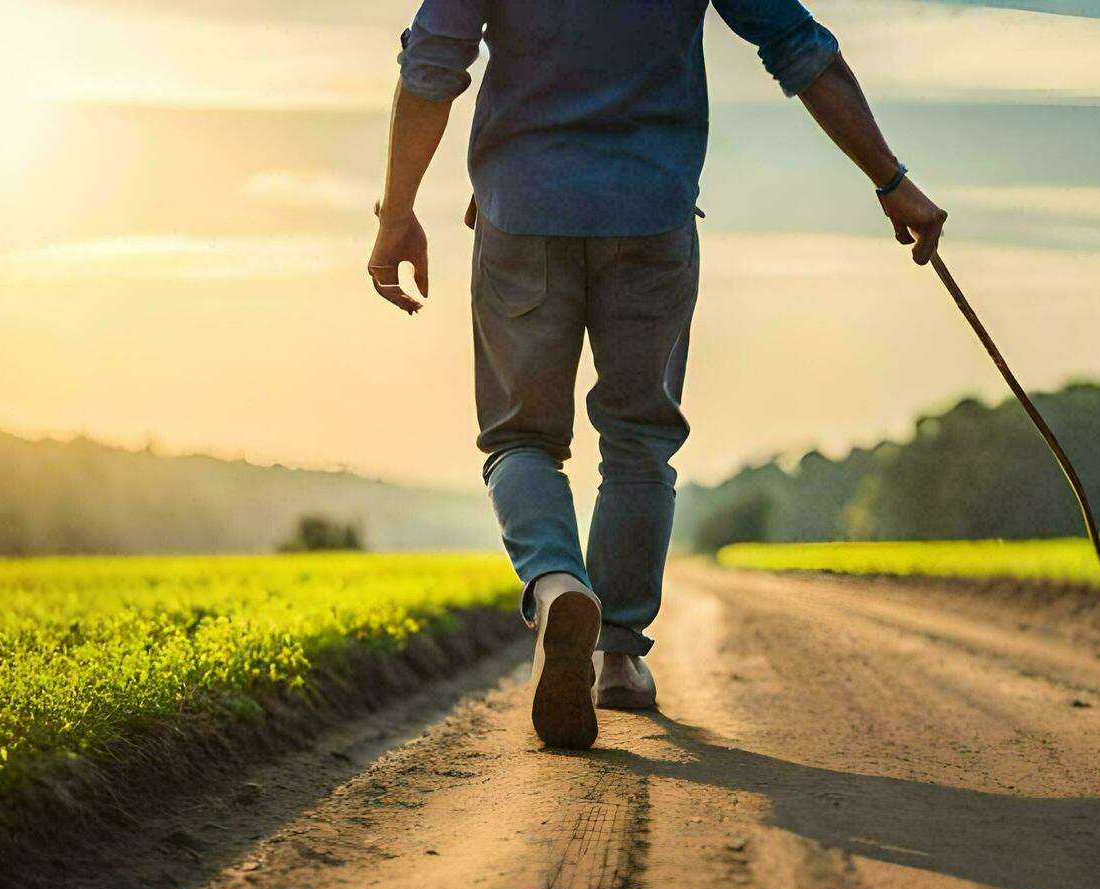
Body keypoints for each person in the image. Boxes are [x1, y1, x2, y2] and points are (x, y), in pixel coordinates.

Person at [368, 0, 947, 749]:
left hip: (522, 215)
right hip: (651, 215)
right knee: (639, 439)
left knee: (521, 440)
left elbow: (433, 64)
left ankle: (556, 586)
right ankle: (616, 655)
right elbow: (801, 48)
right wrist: (890, 177)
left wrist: (398, 211)